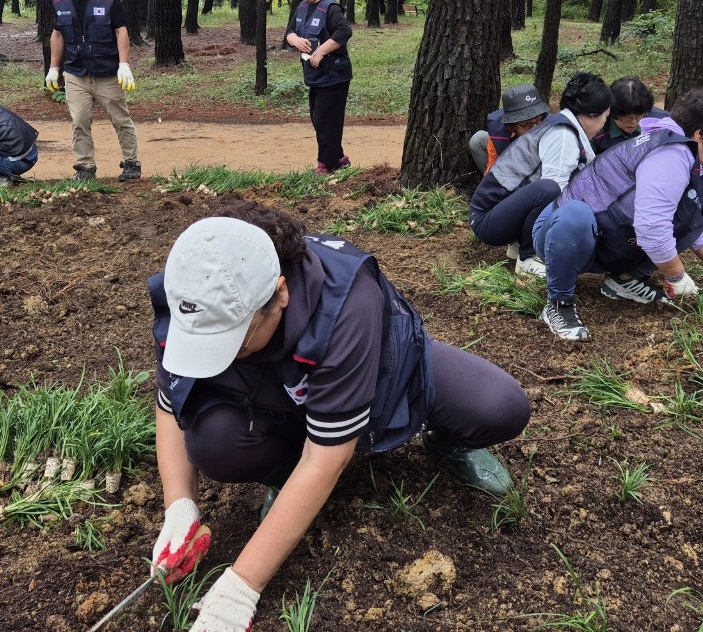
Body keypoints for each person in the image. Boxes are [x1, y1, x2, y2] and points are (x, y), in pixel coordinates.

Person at [148, 203, 530, 630]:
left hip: (384, 374)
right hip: (277, 394)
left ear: (280, 294)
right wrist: (179, 508)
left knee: (501, 407)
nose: (218, 354)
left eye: (234, 339)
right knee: (212, 444)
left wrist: (241, 587)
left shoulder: (344, 305)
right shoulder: (189, 297)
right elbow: (171, 403)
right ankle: (283, 478)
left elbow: (326, 458)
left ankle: (445, 441)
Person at [531, 88, 703, 341]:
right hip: (559, 233)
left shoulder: (684, 152)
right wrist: (676, 276)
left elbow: (691, 222)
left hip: (606, 233)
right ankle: (558, 304)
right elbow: (652, 227)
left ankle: (622, 282)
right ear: (700, 135)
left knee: (676, 225)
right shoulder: (671, 155)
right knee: (576, 214)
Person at [468, 73, 610, 277]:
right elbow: (554, 189)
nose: (535, 126)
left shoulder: (560, 130)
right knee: (551, 188)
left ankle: (519, 246)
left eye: (539, 120)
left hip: (498, 213)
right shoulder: (562, 135)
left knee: (549, 188)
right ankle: (528, 256)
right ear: (593, 114)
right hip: (487, 220)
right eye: (606, 116)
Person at [46, 0, 140, 182]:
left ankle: (131, 163)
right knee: (79, 120)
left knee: (120, 119)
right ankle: (85, 167)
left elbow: (121, 31)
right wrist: (54, 68)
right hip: (76, 72)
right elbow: (57, 34)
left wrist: (124, 64)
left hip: (107, 71)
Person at [592, 76, 703, 230]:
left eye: (638, 117)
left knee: (697, 164)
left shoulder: (663, 121)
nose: (632, 123)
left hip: (660, 174)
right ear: (611, 112)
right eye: (624, 118)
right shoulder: (598, 130)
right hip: (624, 185)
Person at [285, 0, 353, 174]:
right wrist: (295, 40)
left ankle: (325, 165)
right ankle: (339, 159)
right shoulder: (303, 6)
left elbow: (344, 32)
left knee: (324, 120)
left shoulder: (330, 8)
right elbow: (289, 33)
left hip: (335, 75)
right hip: (315, 75)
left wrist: (322, 50)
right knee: (320, 120)